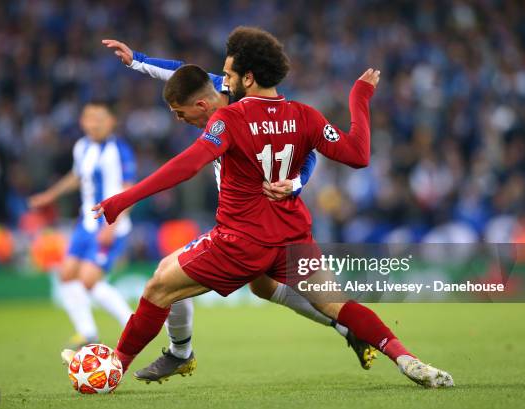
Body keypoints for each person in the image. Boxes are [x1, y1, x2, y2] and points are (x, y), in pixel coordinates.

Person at [94, 27, 453, 388]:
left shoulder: (228, 120)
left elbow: (187, 165)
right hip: (292, 234)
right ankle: (408, 359)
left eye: (229, 75)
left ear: (247, 78)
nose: (224, 80)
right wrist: (359, 97)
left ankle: (115, 372)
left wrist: (122, 199)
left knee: (158, 286)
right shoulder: (305, 115)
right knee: (329, 302)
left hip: (241, 239)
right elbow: (358, 154)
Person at [29, 101, 135, 349]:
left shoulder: (120, 150)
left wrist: (112, 224)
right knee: (66, 276)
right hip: (85, 224)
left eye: (99, 117)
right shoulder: (82, 147)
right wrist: (50, 195)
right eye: (88, 117)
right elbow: (77, 177)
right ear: (82, 122)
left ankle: (132, 324)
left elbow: (129, 190)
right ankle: (87, 333)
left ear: (111, 122)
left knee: (89, 280)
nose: (93, 122)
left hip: (110, 223)